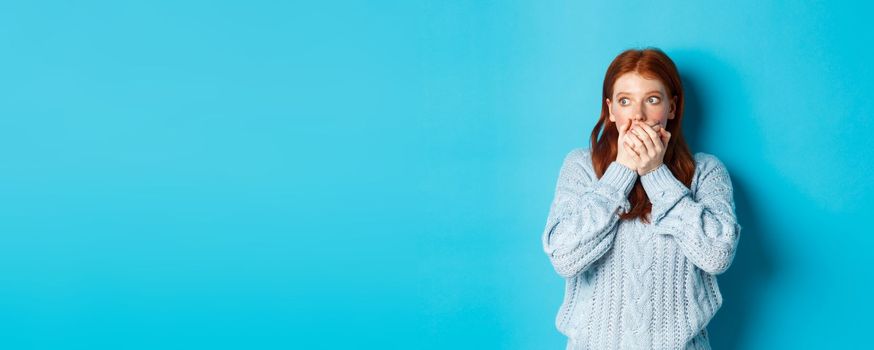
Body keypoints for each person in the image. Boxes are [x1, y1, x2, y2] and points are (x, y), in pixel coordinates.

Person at [541, 47, 742, 350]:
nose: (637, 115)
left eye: (652, 99)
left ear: (671, 108)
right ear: (610, 110)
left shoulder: (706, 171)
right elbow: (564, 258)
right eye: (625, 101)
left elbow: (717, 255)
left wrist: (655, 173)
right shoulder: (581, 167)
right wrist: (621, 171)